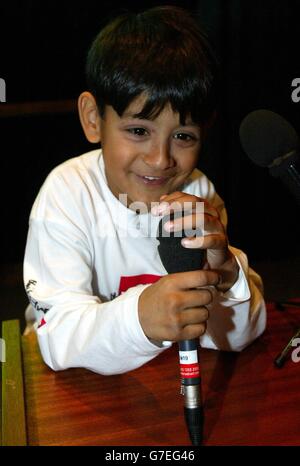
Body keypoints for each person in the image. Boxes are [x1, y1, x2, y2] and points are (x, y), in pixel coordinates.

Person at [23, 5, 266, 375]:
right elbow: (57, 339)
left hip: (160, 380)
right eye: (139, 131)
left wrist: (227, 276)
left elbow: (234, 337)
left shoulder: (199, 192)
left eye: (183, 136)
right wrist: (141, 317)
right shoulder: (67, 193)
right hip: (73, 389)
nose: (159, 160)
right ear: (93, 119)